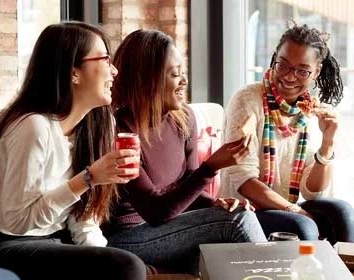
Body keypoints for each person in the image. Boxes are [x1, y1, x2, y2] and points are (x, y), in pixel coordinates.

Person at [0, 22, 146, 280]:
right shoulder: (33, 127)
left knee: (125, 265)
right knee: (127, 266)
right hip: (10, 246)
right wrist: (87, 179)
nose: (115, 70)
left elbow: (84, 218)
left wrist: (104, 258)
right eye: (105, 59)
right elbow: (20, 222)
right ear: (73, 73)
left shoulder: (99, 124)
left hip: (59, 242)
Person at [106, 29, 267, 274]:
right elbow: (155, 211)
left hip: (170, 230)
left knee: (221, 258)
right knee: (237, 221)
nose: (184, 81)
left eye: (183, 72)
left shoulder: (183, 119)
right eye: (174, 74)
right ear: (147, 79)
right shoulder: (120, 132)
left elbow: (189, 190)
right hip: (128, 238)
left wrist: (216, 205)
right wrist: (211, 167)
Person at [220, 21, 354, 245]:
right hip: (243, 211)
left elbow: (312, 192)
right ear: (274, 58)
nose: (289, 77)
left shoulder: (309, 112)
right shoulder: (247, 99)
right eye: (283, 65)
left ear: (316, 71)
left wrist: (328, 142)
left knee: (342, 213)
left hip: (286, 208)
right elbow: (243, 180)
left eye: (302, 70)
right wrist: (294, 210)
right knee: (301, 225)